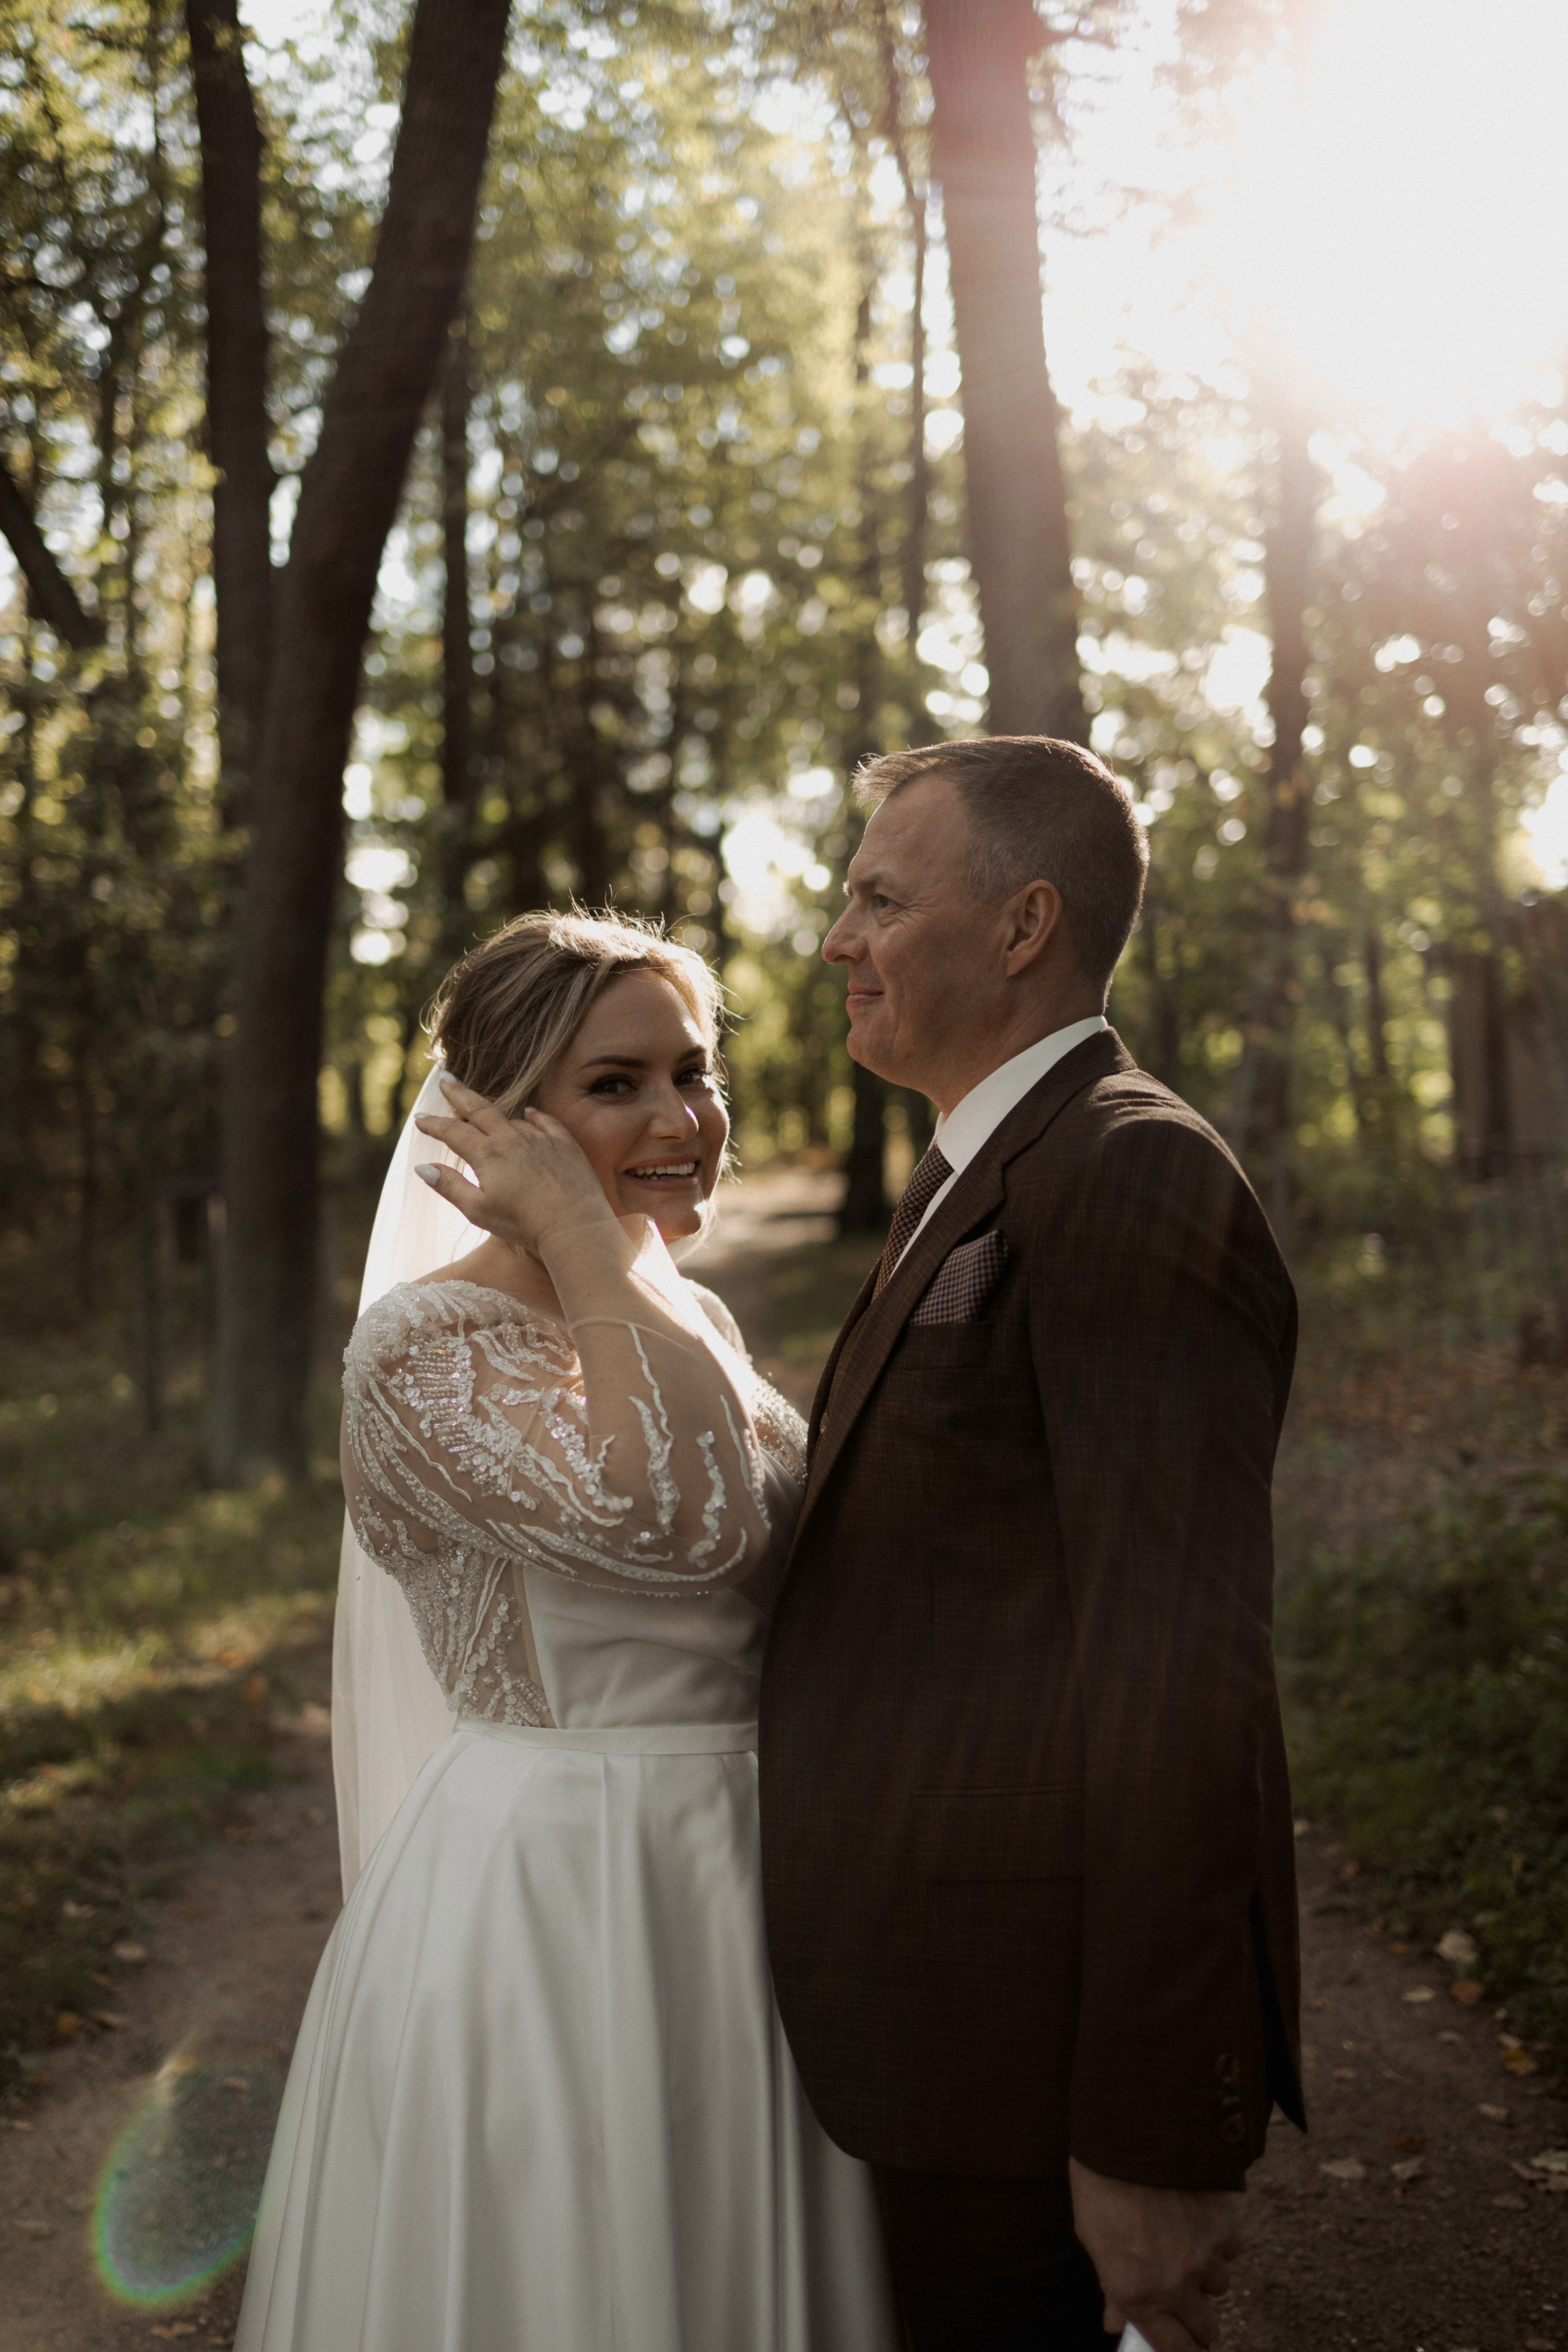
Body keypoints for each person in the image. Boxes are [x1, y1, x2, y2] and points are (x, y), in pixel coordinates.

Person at [235, 910, 897, 2352]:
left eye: (695, 1071)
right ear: (504, 1125)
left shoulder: (685, 1319)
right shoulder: (418, 1355)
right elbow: (677, 1525)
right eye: (617, 1084)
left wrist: (618, 1277)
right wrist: (591, 1256)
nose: (684, 1118)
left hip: (747, 1878)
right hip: (553, 1892)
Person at [758, 737, 1303, 2352]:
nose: (837, 939)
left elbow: (1181, 1679)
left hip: (1021, 2066)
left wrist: (1151, 2132)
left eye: (876, 896)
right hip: (914, 2039)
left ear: (1021, 925)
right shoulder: (978, 1167)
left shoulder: (1129, 1174)